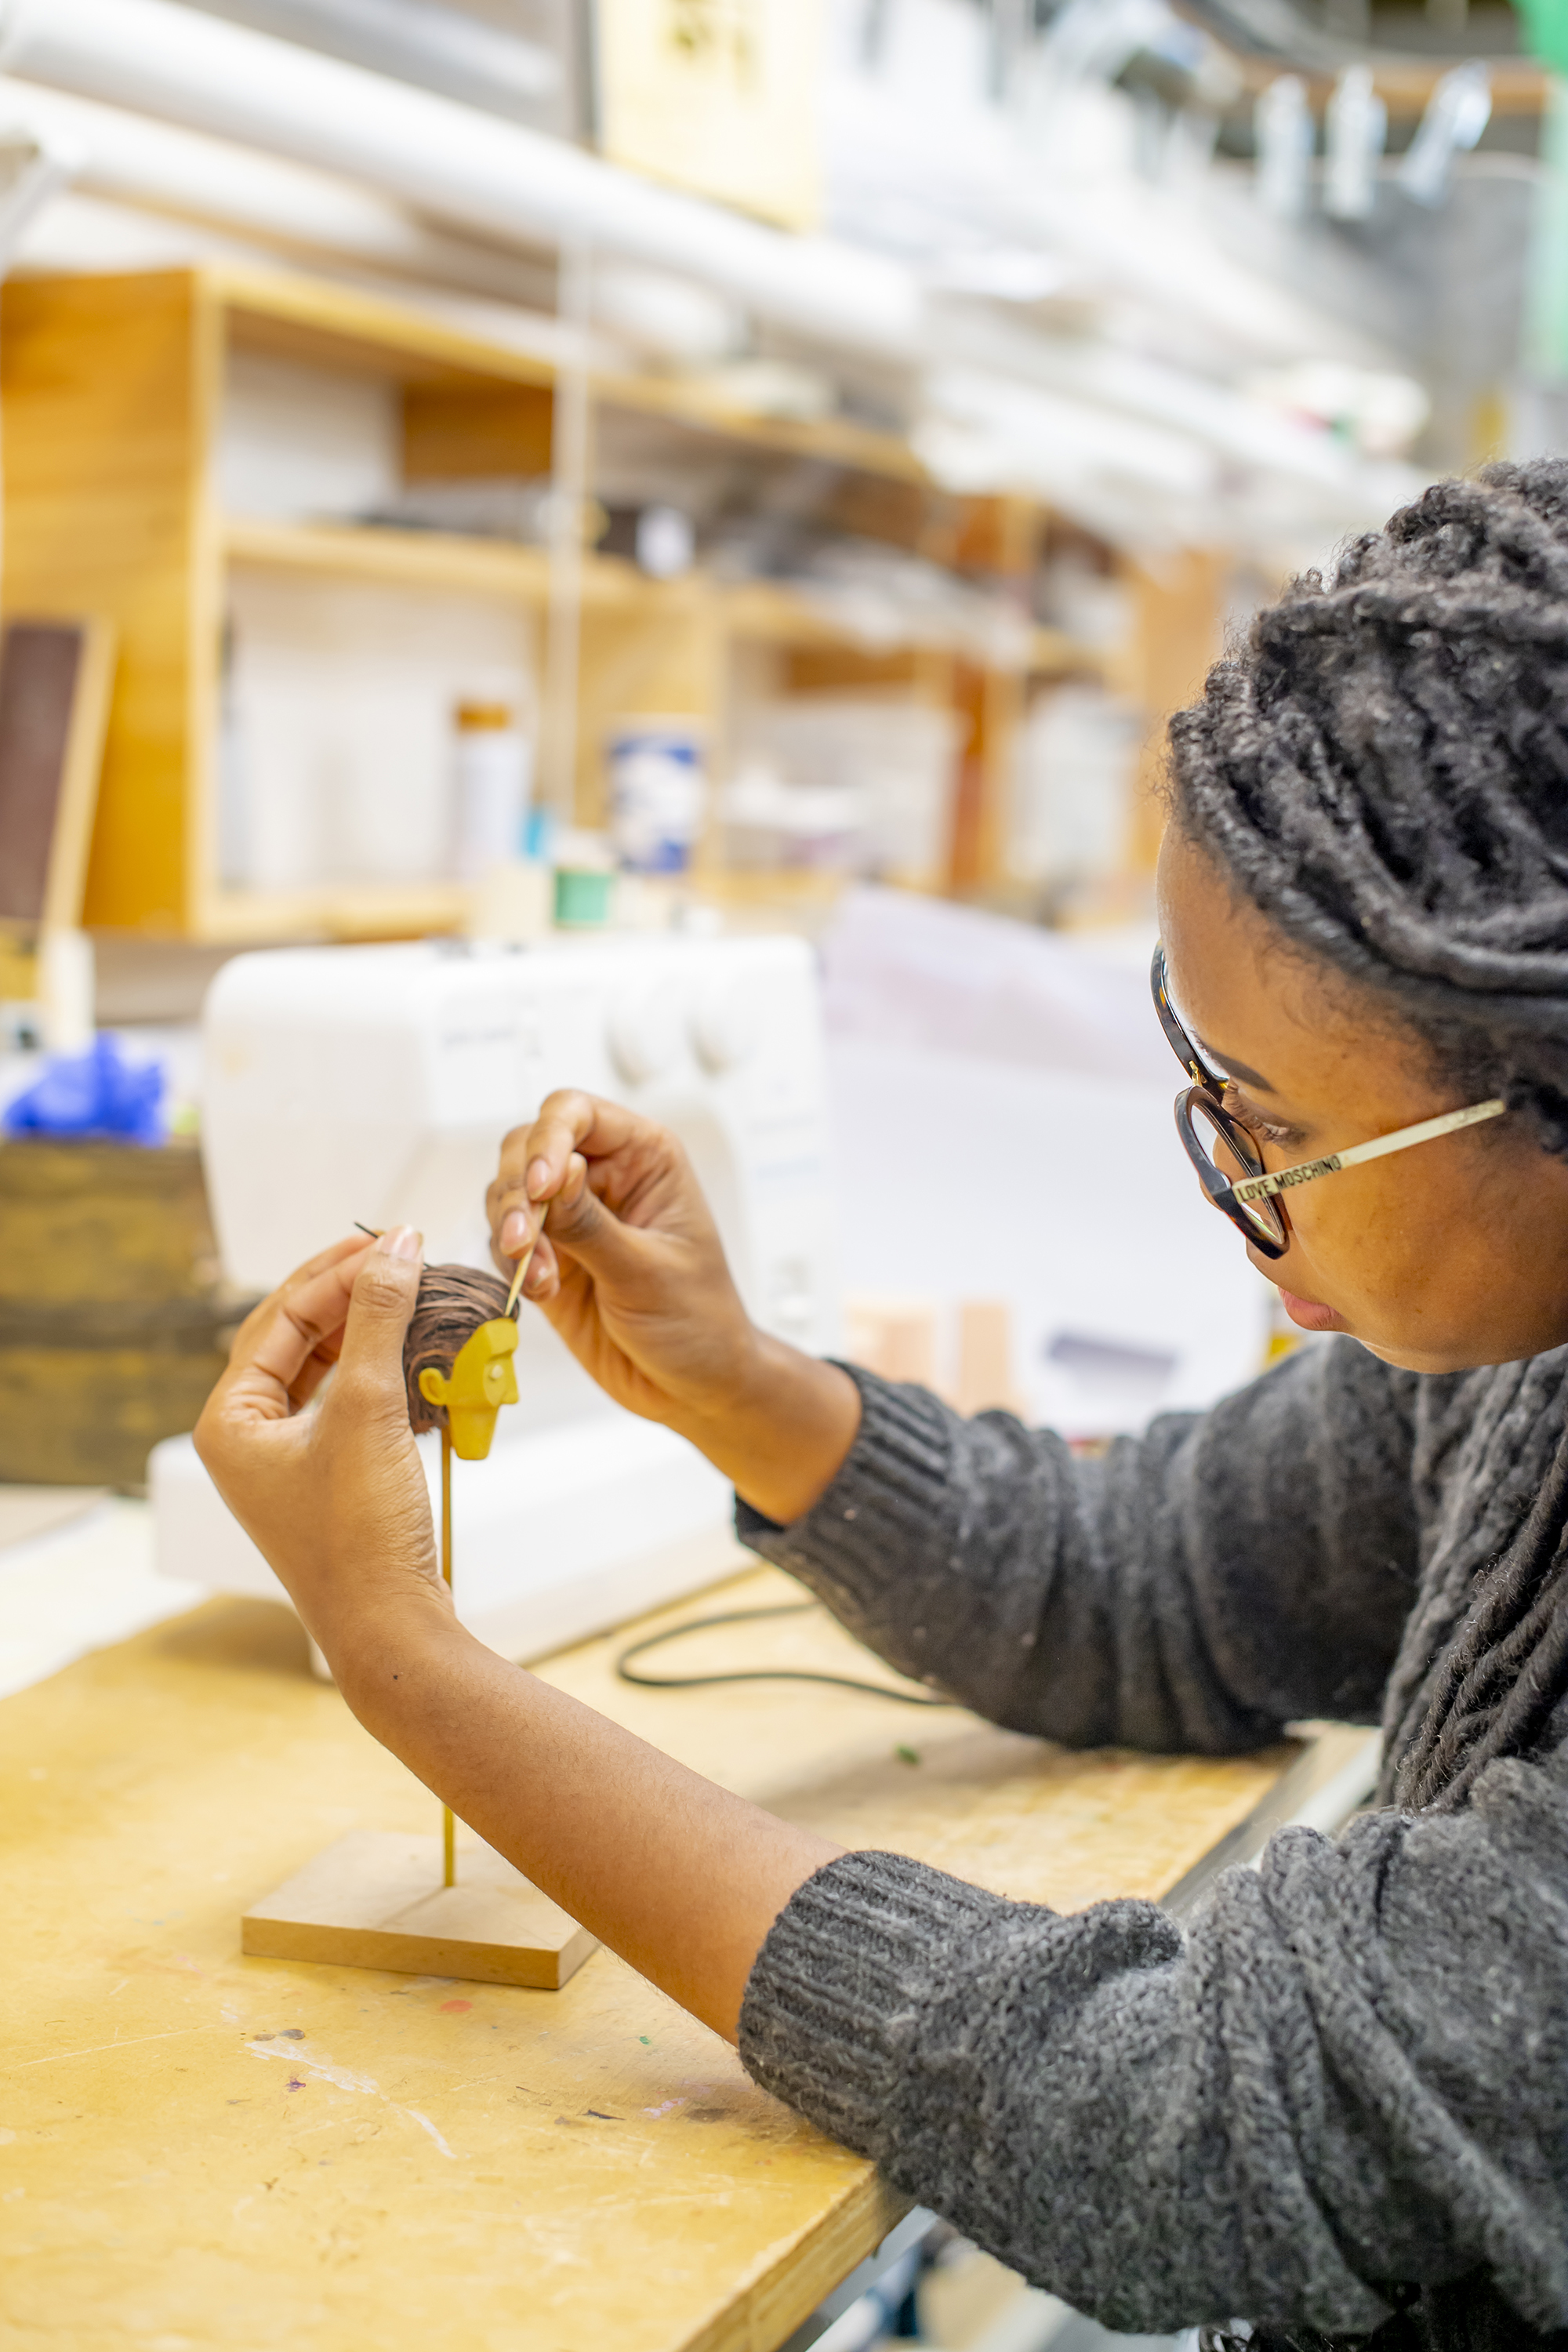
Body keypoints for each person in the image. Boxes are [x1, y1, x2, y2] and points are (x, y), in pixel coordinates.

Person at [196, 464, 1568, 2352]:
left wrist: (404, 1656)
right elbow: (1156, 1581)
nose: (1232, 1192)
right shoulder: (1516, 1370)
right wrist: (736, 1382)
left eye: (1277, 1131)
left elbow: (1169, 2122)